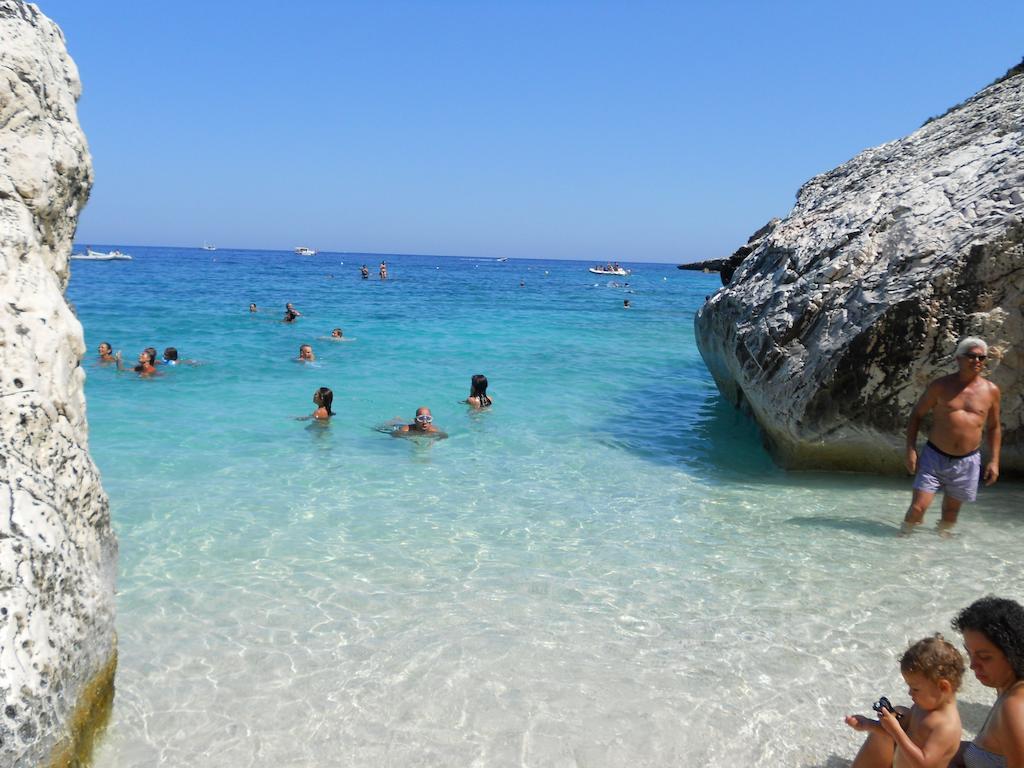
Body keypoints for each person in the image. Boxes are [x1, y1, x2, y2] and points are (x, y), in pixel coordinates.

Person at [902, 337, 1002, 534]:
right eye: (972, 356)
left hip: (967, 461)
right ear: (958, 358)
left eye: (982, 357)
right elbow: (916, 415)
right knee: (917, 509)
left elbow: (994, 427)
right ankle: (902, 539)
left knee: (950, 514)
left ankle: (939, 553)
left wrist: (994, 461)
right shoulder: (940, 386)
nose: (977, 361)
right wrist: (910, 449)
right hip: (934, 456)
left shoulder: (991, 391)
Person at [844, 635, 964, 768]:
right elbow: (902, 734)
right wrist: (869, 724)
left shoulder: (946, 726)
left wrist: (895, 731)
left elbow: (924, 763)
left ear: (943, 687)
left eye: (915, 688)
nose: (910, 693)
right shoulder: (921, 708)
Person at [949, 596, 1024, 767]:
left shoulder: (1014, 706)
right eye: (970, 653)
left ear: (1013, 654)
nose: (973, 665)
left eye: (984, 657)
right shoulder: (1007, 685)